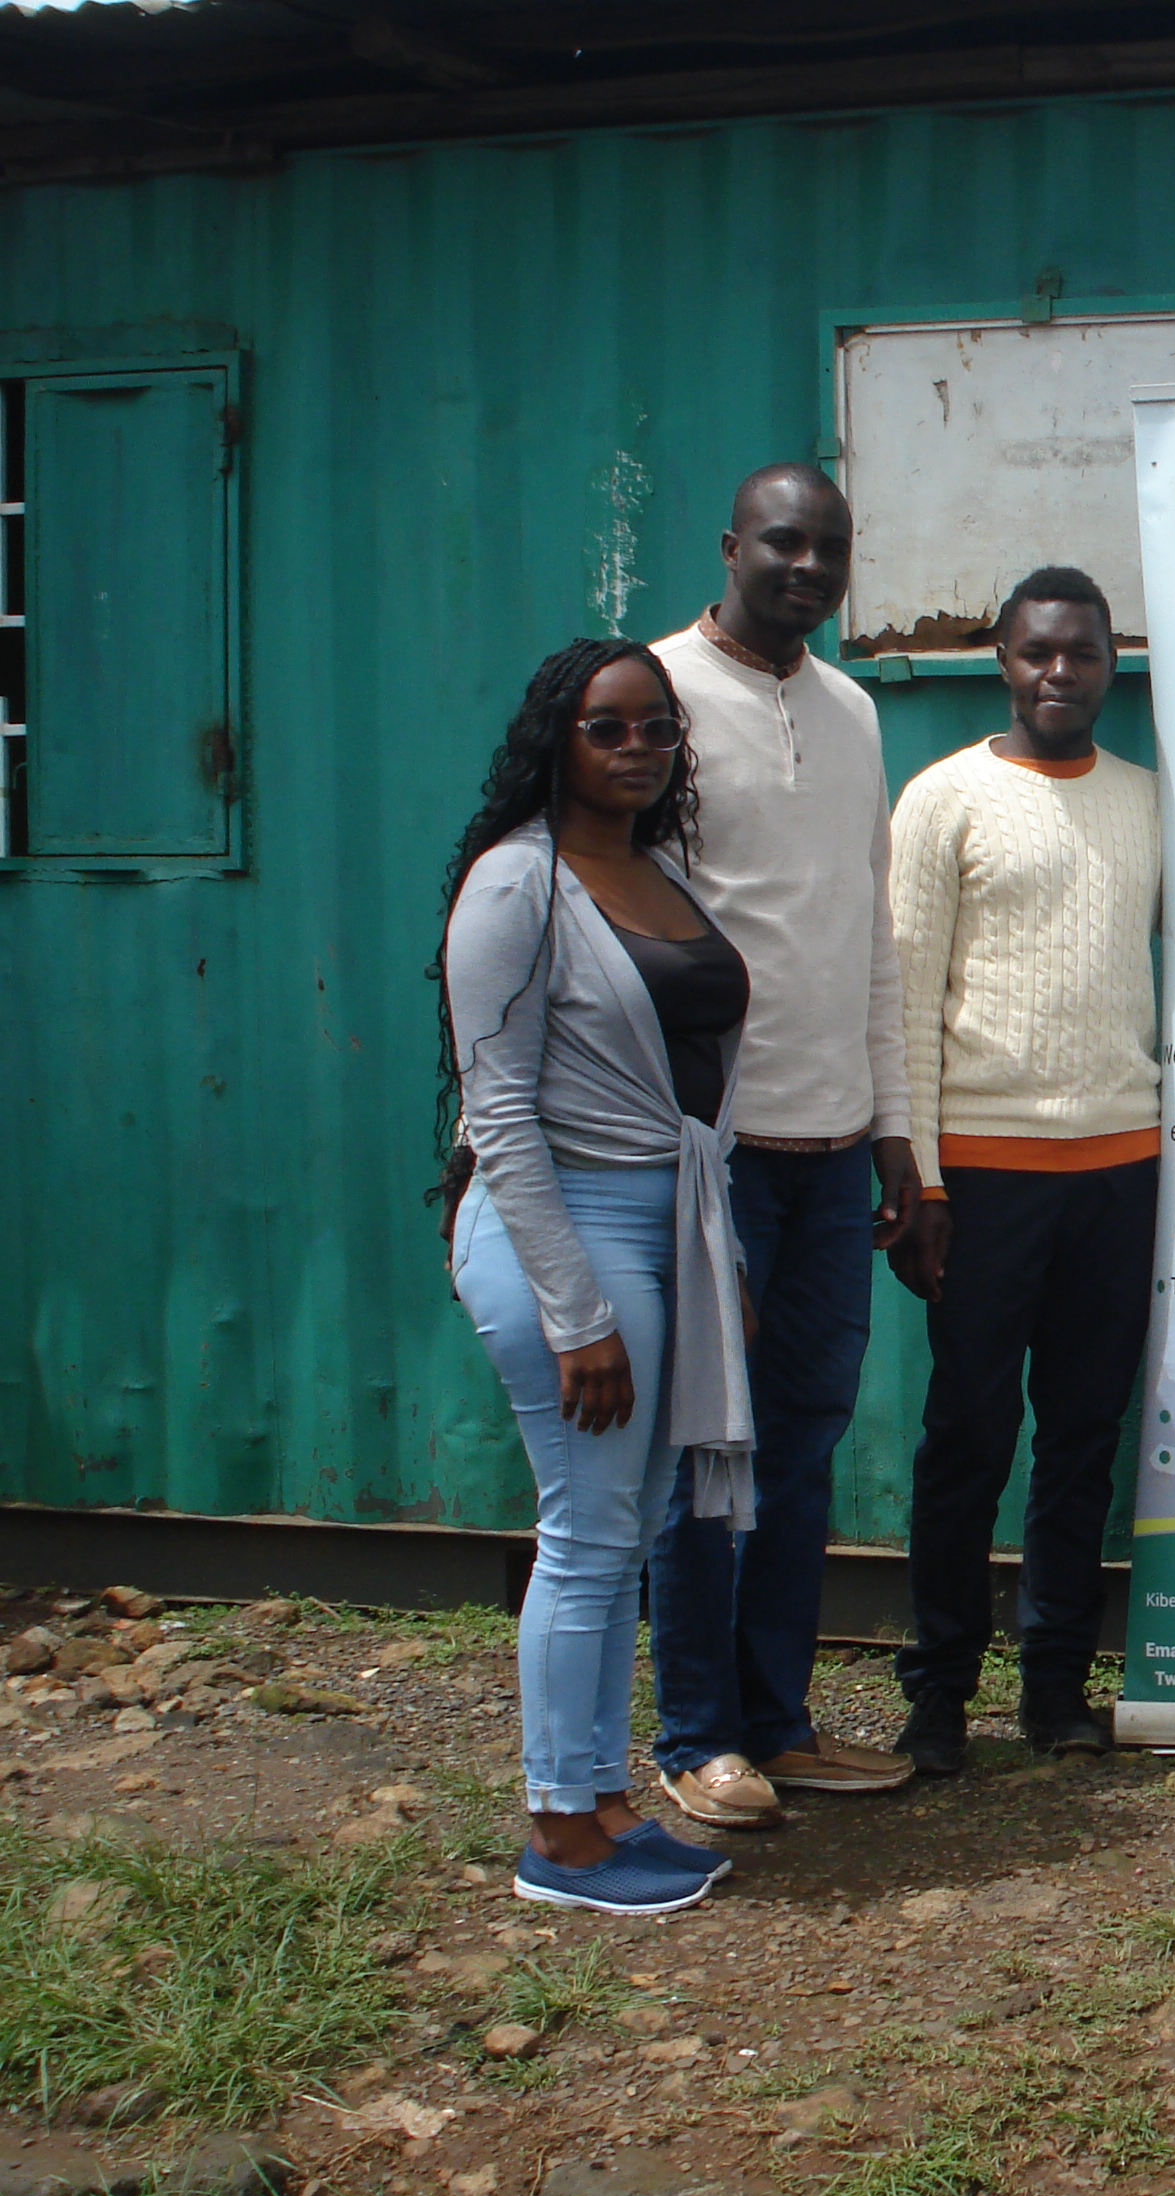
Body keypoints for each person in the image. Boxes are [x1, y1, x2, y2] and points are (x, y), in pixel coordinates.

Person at [438, 639, 753, 1915]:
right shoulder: (517, 883)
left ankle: (601, 1801)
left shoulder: (658, 871)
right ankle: (561, 1839)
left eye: (657, 729)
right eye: (604, 726)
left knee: (619, 1530)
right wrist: (576, 1312)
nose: (635, 748)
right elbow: (499, 1112)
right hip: (562, 1227)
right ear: (554, 737)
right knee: (585, 1538)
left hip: (663, 1221)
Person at [645, 465, 918, 1832]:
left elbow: (871, 944)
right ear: (731, 544)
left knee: (803, 1441)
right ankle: (696, 1734)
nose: (807, 566)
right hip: (713, 1149)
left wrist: (897, 1145)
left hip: (829, 1150)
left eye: (831, 548)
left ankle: (781, 1718)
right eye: (784, 542)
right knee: (710, 1446)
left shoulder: (857, 709)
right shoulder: (654, 696)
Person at [884, 566, 1159, 1775]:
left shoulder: (1152, 804)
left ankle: (1054, 1688)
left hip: (1123, 1167)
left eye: (1083, 655)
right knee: (967, 1439)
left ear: (1112, 666)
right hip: (984, 1177)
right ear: (1003, 661)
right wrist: (922, 1183)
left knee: (1085, 1438)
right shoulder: (944, 798)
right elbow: (901, 1000)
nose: (1060, 673)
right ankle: (938, 1695)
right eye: (1038, 653)